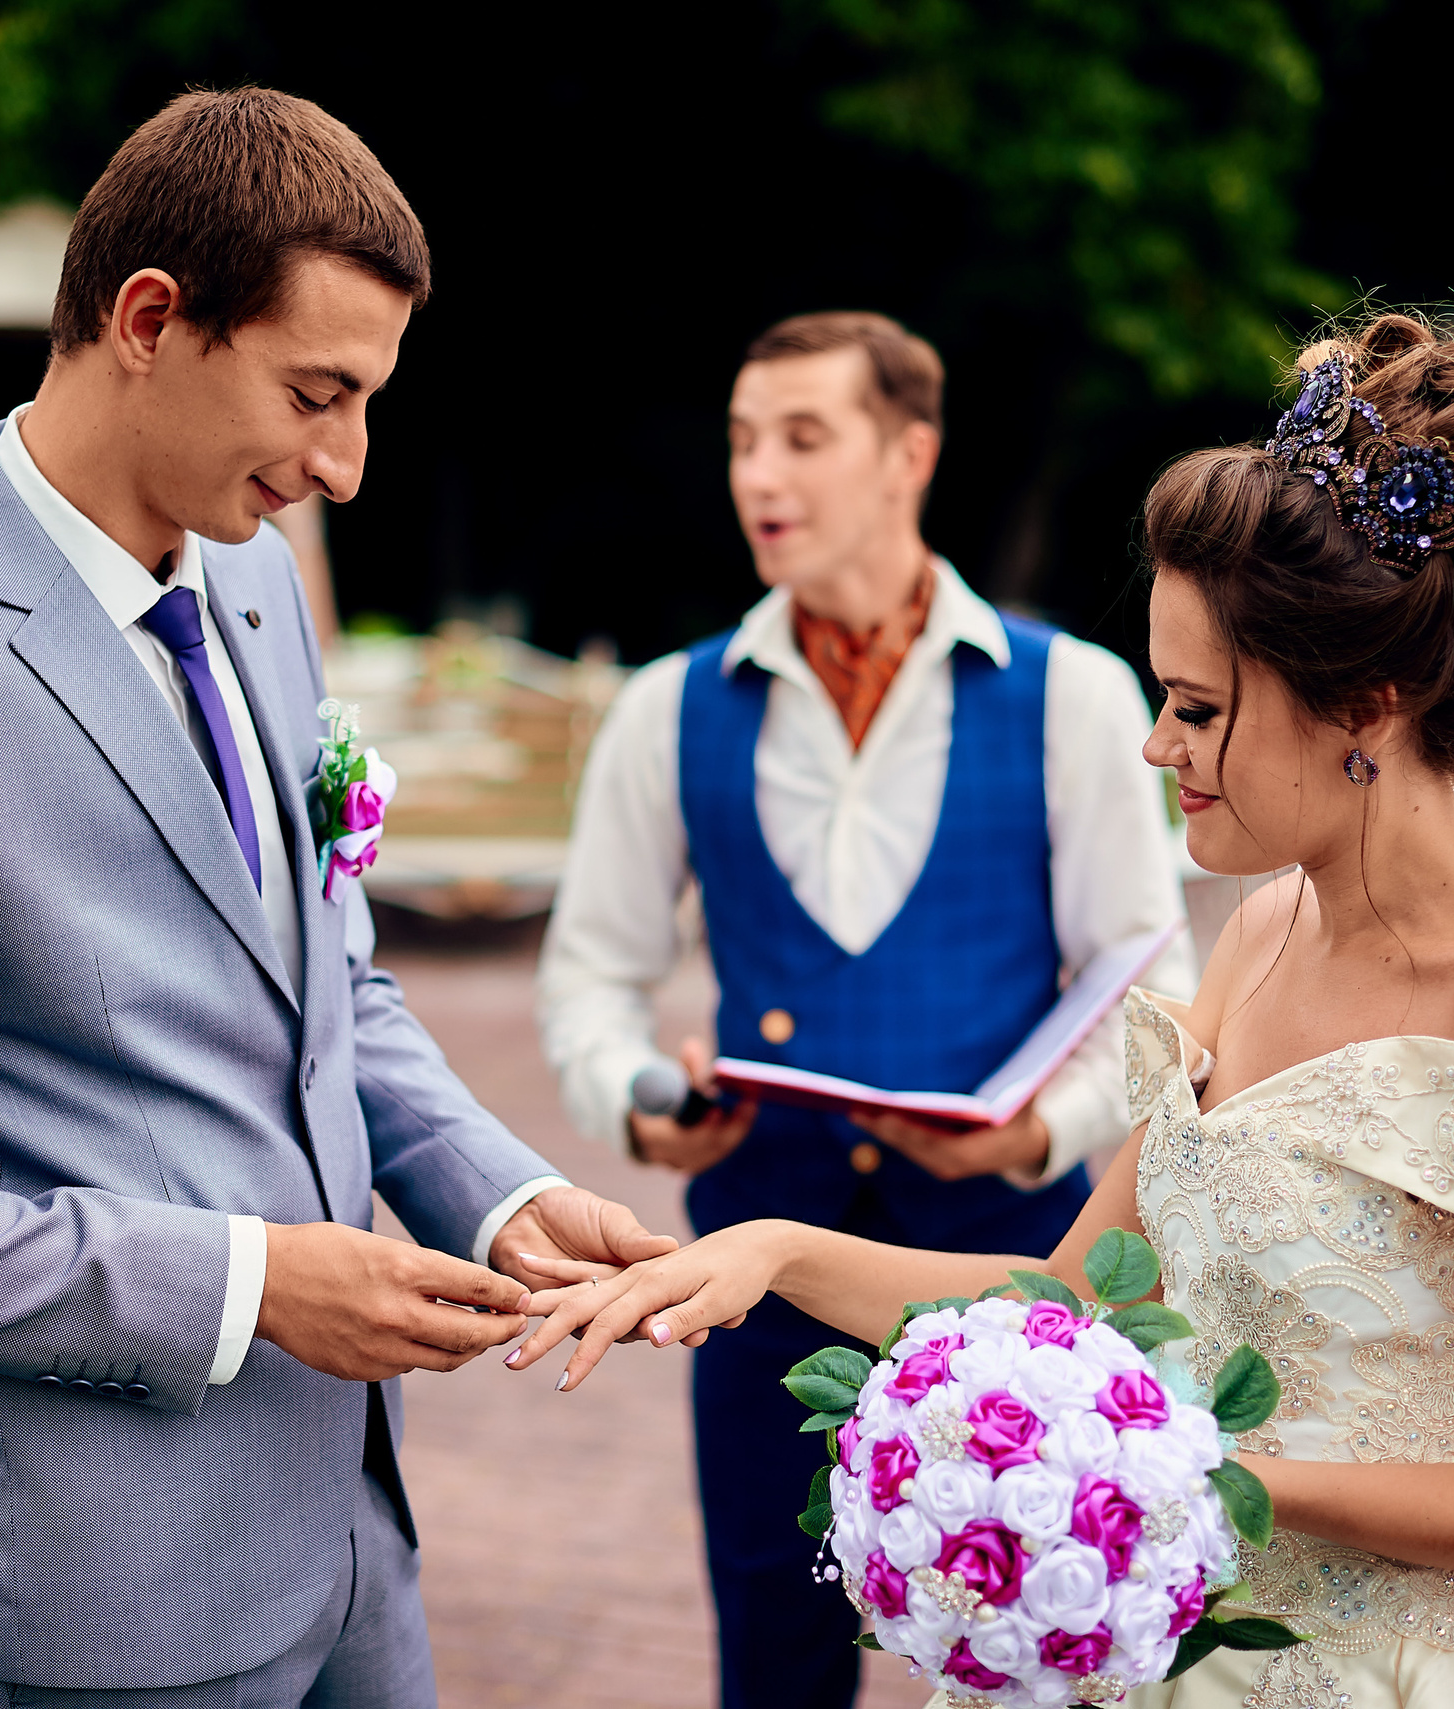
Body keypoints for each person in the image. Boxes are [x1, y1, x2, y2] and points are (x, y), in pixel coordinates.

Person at [516, 314, 1454, 1706]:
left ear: (1370, 700)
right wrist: (776, 1251)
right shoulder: (1266, 927)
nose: (1159, 744)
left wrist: (1224, 1477)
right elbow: (1065, 1304)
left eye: (1199, 706)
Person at [0, 89, 672, 1709]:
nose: (348, 466)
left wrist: (493, 1195)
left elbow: (325, 989)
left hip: (353, 1536)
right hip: (87, 1594)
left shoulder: (259, 587)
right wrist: (246, 1284)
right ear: (150, 319)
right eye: (317, 393)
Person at [537, 310, 1192, 1708]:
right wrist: (651, 1105)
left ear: (910, 454)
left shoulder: (1071, 694)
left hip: (1022, 1285)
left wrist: (1036, 1135)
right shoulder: (666, 709)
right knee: (775, 1661)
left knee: (1053, 1653)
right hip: (760, 1296)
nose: (760, 476)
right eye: (741, 443)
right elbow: (588, 978)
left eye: (802, 437)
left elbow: (1152, 978)